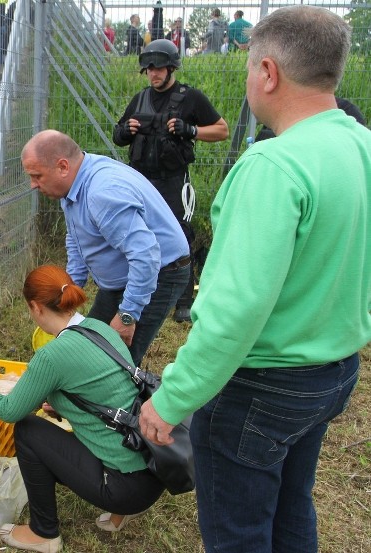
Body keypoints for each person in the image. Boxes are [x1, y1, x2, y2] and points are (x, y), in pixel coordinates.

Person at [138, 6, 370, 553]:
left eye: (247, 70)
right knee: (292, 504)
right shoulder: (362, 146)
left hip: (263, 384)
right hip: (332, 372)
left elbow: (233, 312)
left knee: (239, 532)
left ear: (268, 72)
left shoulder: (272, 166)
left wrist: (171, 399)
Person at [0, 265, 165, 552]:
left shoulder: (51, 355)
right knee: (50, 429)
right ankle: (121, 513)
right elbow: (108, 395)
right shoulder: (99, 328)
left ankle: (44, 533)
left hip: (124, 488)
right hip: (154, 469)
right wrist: (62, 405)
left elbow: (9, 410)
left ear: (35, 307)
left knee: (29, 430)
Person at [21, 129, 189, 367]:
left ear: (62, 167)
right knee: (88, 346)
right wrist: (68, 290)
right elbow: (78, 240)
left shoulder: (102, 192)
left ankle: (136, 401)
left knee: (114, 364)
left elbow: (146, 256)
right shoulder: (72, 186)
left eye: (37, 176)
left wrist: (128, 315)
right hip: (123, 276)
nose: (32, 185)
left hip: (160, 272)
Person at [112, 39, 229, 323]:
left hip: (174, 181)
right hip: (141, 180)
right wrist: (126, 130)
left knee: (180, 237)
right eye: (149, 68)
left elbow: (222, 130)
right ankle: (139, 293)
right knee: (137, 234)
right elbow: (117, 134)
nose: (154, 73)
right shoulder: (140, 99)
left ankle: (184, 301)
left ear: (172, 67)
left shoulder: (190, 98)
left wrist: (191, 130)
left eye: (160, 67)